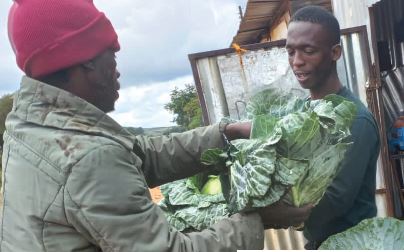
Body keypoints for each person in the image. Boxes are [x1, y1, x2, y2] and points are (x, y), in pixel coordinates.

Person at [0, 0, 312, 251]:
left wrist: (224, 132)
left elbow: (141, 155)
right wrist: (257, 221)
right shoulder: (86, 157)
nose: (118, 71)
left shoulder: (30, 124)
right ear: (85, 64)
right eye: (112, 57)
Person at [285, 6, 381, 249]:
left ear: (335, 52)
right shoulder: (301, 112)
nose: (297, 62)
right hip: (318, 243)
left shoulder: (355, 119)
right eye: (290, 51)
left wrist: (269, 214)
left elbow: (335, 199)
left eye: (308, 51)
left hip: (354, 244)